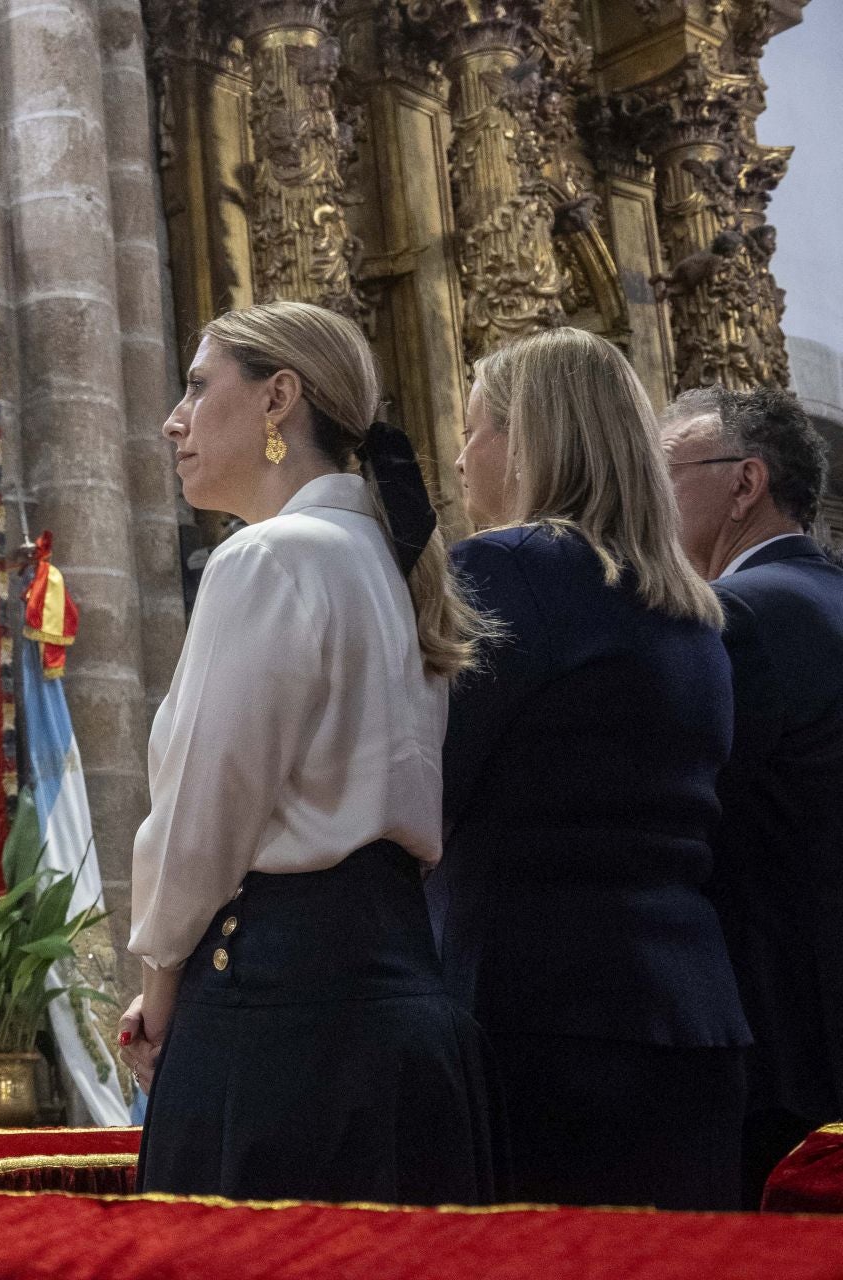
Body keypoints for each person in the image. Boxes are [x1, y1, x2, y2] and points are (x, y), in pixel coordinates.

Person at [119, 300, 497, 1203]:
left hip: (279, 1013)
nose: (174, 417)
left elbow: (203, 816)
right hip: (403, 999)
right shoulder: (388, 563)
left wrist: (158, 994)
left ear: (278, 398)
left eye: (199, 385)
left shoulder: (269, 559)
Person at [438, 328, 750, 1210]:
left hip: (536, 1013)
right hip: (691, 1012)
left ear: (531, 440)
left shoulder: (504, 569)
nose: (462, 459)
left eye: (475, 430)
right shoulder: (693, 611)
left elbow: (427, 788)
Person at [662, 385, 843, 1205]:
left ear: (746, 483)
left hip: (785, 1033)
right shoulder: (824, 596)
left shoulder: (739, 613)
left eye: (663, 470)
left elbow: (690, 813)